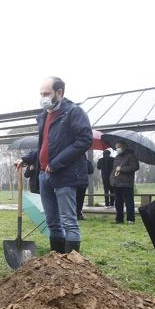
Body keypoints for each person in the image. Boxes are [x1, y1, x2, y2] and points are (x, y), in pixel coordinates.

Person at [17, 77, 92, 254]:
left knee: (69, 221)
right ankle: (57, 263)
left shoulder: (74, 113)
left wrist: (57, 163)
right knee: (52, 221)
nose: (42, 97)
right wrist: (26, 159)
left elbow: (84, 140)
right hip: (44, 176)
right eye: (41, 94)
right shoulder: (44, 116)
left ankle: (73, 266)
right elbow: (44, 146)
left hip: (65, 175)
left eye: (46, 94)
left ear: (59, 93)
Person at [110, 141, 139, 224]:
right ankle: (119, 219)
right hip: (117, 183)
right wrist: (112, 180)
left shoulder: (131, 156)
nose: (117, 149)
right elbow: (114, 170)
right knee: (118, 203)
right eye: (116, 147)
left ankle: (130, 219)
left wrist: (122, 169)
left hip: (127, 184)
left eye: (118, 147)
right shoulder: (117, 157)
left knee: (129, 203)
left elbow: (135, 167)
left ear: (124, 147)